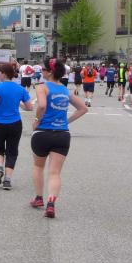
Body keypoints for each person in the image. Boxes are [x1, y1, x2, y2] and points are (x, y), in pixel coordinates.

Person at [30, 57, 88, 218]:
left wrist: (37, 119)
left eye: (43, 69)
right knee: (55, 173)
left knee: (38, 166)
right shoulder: (65, 90)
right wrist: (66, 121)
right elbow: (83, 109)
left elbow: (42, 105)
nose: (41, 71)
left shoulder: (42, 87)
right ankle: (51, 203)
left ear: (49, 72)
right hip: (62, 134)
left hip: (42, 132)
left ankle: (39, 198)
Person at [0, 63, 33, 190]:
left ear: (4, 74)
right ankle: (7, 180)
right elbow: (30, 107)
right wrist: (18, 104)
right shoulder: (20, 89)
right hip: (15, 124)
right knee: (12, 151)